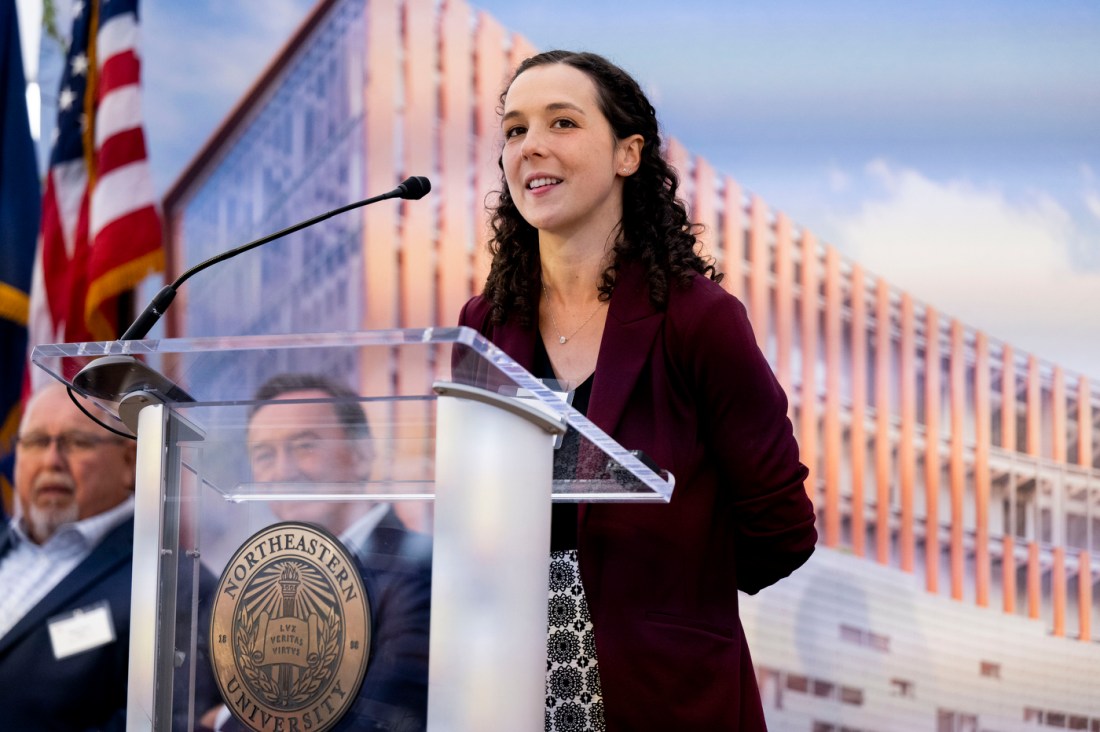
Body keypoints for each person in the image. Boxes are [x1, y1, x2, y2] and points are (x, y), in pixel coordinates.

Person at [457, 50, 818, 730]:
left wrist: (675, 597)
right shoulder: (485, 325)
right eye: (514, 129)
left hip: (666, 691)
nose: (530, 144)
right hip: (507, 684)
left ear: (628, 154)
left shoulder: (699, 320)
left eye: (561, 122)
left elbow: (783, 530)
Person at [209, 373, 431, 731]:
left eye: (304, 446)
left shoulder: (419, 568)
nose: (284, 471)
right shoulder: (251, 587)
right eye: (265, 455)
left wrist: (224, 721)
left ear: (361, 454)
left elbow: (383, 718)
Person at [0, 382, 219, 731]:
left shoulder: (177, 583)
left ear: (130, 461)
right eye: (38, 442)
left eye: (76, 442)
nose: (51, 460)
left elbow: (177, 721)